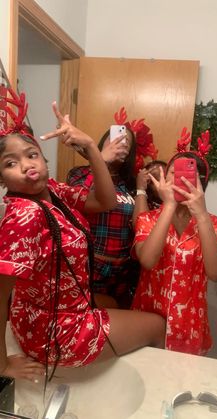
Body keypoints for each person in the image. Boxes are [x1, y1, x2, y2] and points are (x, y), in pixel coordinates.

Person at [0, 89, 165, 383]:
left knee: (114, 306)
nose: (26, 166)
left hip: (54, 312)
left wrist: (89, 144)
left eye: (32, 154)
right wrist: (2, 365)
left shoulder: (53, 192)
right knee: (156, 325)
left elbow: (106, 201)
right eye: (10, 163)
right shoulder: (25, 214)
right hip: (55, 331)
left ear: (44, 158)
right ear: (1, 178)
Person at [131, 129, 217, 356]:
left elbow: (216, 274)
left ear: (201, 185)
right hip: (148, 321)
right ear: (163, 179)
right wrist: (168, 205)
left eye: (188, 175)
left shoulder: (211, 222)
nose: (178, 180)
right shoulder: (147, 218)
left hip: (189, 326)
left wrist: (202, 215)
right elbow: (147, 260)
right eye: (172, 173)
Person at [67, 123, 139, 309]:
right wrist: (101, 161)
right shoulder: (79, 173)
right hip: (90, 266)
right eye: (113, 136)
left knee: (114, 326)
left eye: (125, 141)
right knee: (87, 322)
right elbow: (75, 201)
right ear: (101, 143)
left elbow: (141, 224)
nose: (119, 142)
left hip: (122, 272)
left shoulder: (130, 184)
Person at [133, 160, 167, 225]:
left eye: (165, 177)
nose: (163, 182)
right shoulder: (140, 201)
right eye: (153, 180)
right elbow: (141, 226)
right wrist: (141, 189)